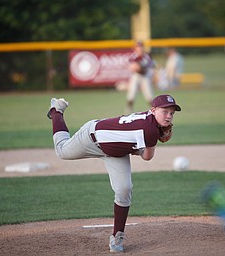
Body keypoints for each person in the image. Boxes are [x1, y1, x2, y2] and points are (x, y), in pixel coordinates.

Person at [47, 94, 181, 253]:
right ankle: (57, 111)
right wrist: (156, 138)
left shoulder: (149, 120)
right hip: (92, 138)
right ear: (153, 110)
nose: (169, 116)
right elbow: (147, 156)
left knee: (124, 189)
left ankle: (117, 237)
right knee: (61, 150)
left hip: (116, 152)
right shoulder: (150, 130)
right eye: (165, 111)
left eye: (171, 113)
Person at [126, 41, 156, 113]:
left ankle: (153, 111)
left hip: (145, 76)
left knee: (149, 95)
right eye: (138, 47)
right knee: (131, 94)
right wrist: (136, 67)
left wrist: (142, 68)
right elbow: (130, 67)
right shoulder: (133, 56)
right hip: (136, 76)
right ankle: (128, 111)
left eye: (141, 47)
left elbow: (152, 66)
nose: (139, 49)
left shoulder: (147, 56)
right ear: (135, 48)